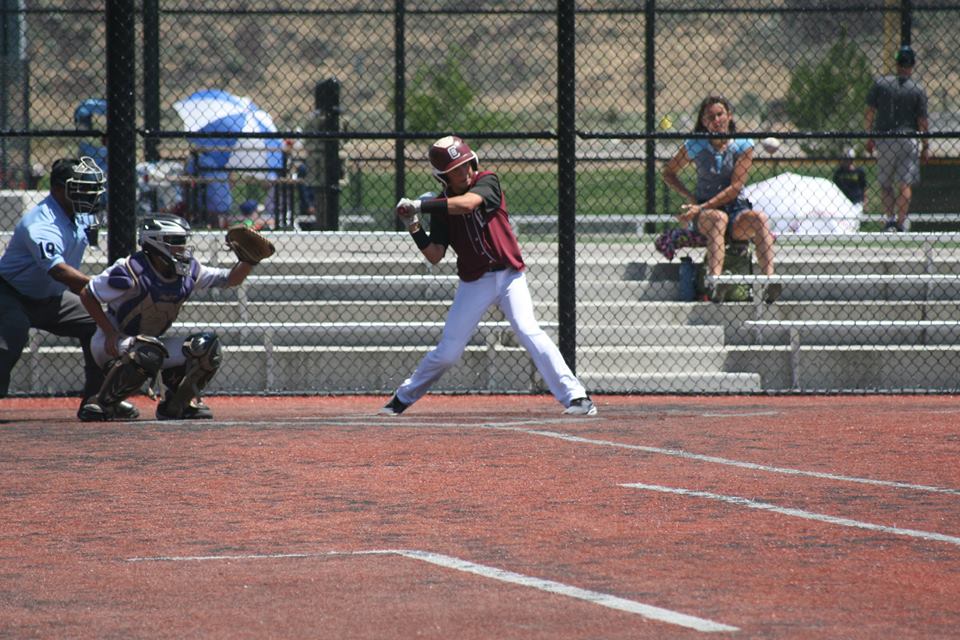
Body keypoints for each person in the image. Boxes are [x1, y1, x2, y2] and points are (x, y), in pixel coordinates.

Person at [380, 135, 596, 416]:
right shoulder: (442, 207)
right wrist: (414, 225)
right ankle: (401, 400)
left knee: (527, 329)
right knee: (449, 352)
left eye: (467, 163)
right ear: (443, 177)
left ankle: (577, 397)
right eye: (456, 169)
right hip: (475, 282)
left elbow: (468, 204)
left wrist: (422, 205)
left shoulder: (487, 181)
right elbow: (435, 254)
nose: (465, 171)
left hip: (509, 276)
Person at [76, 214, 265, 421]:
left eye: (183, 241)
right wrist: (110, 333)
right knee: (148, 351)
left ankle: (177, 404)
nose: (182, 247)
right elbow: (88, 293)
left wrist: (248, 260)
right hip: (110, 342)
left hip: (148, 344)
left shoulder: (188, 270)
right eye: (175, 241)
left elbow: (230, 279)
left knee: (206, 347)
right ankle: (103, 403)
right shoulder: (131, 269)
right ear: (155, 243)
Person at [0, 157, 137, 419]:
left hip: (51, 298)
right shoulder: (41, 222)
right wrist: (100, 288)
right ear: (59, 189)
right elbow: (58, 270)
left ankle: (99, 400)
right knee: (13, 332)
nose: (91, 195)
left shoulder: (81, 215)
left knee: (102, 322)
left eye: (92, 188)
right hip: (8, 293)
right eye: (83, 188)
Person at [662, 95, 779, 303]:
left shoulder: (743, 144)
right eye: (710, 117)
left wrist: (700, 207)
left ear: (729, 116)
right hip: (707, 213)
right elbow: (668, 172)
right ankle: (714, 282)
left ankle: (770, 280)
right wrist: (692, 200)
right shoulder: (696, 144)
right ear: (704, 122)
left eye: (720, 114)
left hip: (735, 209)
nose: (717, 120)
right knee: (718, 219)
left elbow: (735, 187)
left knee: (759, 218)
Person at [864, 45, 929, 233]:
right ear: (913, 64)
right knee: (904, 183)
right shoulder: (917, 89)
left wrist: (868, 136)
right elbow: (922, 120)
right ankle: (901, 222)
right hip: (908, 139)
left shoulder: (881, 84)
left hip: (885, 138)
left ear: (896, 62)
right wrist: (926, 144)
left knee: (885, 183)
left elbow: (869, 112)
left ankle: (889, 220)